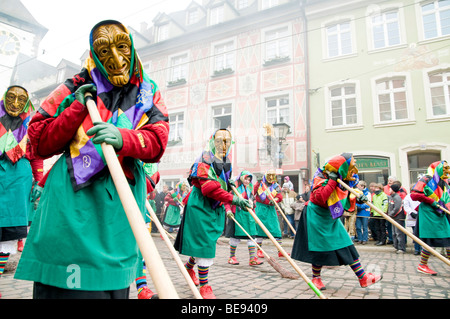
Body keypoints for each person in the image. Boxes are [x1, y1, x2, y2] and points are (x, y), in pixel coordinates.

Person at [14, 20, 169, 299]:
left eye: (122, 47)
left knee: (112, 285)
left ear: (132, 48)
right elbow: (37, 142)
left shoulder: (148, 92)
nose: (117, 59)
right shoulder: (74, 85)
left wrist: (124, 138)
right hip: (71, 200)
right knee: (67, 287)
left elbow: (158, 140)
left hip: (120, 205)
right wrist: (75, 107)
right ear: (94, 55)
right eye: (105, 51)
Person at [174, 129, 252, 299]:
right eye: (219, 141)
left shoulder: (226, 161)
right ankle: (205, 286)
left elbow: (221, 183)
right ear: (212, 142)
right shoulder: (205, 160)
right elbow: (210, 190)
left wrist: (229, 183)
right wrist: (235, 200)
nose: (223, 145)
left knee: (206, 243)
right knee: (205, 244)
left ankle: (189, 268)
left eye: (227, 141)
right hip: (200, 206)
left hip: (213, 208)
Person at [291, 153, 382, 291]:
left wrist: (358, 198)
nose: (354, 171)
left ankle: (362, 277)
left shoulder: (345, 180)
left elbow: (347, 195)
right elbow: (320, 198)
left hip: (330, 217)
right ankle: (316, 278)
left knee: (345, 243)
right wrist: (332, 181)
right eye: (351, 167)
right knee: (318, 248)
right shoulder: (320, 178)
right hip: (316, 216)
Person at [0, 86, 44, 298]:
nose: (15, 103)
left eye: (21, 99)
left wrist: (38, 181)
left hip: (19, 181)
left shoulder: (31, 126)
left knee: (7, 233)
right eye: (11, 97)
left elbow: (37, 155)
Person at [410, 160, 450, 276]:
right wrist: (432, 201)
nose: (447, 170)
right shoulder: (427, 178)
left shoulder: (445, 181)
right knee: (429, 241)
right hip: (429, 212)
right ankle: (422, 265)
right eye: (445, 168)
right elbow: (414, 194)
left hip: (441, 213)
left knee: (448, 238)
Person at [225, 170, 263, 266]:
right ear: (242, 178)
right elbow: (227, 200)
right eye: (246, 179)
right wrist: (228, 210)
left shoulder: (250, 188)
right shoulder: (234, 187)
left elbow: (252, 201)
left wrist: (253, 210)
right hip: (236, 214)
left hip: (248, 216)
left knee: (252, 236)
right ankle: (232, 257)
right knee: (235, 237)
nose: (247, 181)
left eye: (249, 179)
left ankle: (252, 258)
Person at [253, 170, 284, 258]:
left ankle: (280, 250)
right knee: (260, 230)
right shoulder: (260, 184)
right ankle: (259, 250)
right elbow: (253, 192)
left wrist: (276, 200)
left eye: (272, 176)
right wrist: (257, 184)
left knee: (276, 229)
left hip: (271, 209)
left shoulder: (276, 186)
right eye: (269, 176)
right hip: (260, 209)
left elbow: (279, 196)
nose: (270, 178)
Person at [388, 181, 406, 253]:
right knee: (394, 233)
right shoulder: (391, 197)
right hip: (393, 217)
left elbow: (397, 208)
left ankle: (401, 248)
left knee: (399, 233)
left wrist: (391, 214)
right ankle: (396, 246)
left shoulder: (397, 197)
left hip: (397, 217)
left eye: (390, 189)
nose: (389, 190)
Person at [403, 185, 421, 255]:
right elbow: (406, 206)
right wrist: (411, 212)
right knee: (415, 234)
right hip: (413, 217)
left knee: (421, 234)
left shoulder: (422, 195)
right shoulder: (408, 197)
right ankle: (417, 249)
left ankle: (423, 249)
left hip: (421, 216)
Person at [354, 180, 371, 245]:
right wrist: (356, 207)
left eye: (359, 186)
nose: (357, 187)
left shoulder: (367, 193)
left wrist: (361, 207)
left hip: (365, 212)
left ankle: (365, 239)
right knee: (358, 227)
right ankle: (360, 238)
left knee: (365, 227)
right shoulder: (356, 192)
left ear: (362, 186)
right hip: (358, 212)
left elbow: (368, 202)